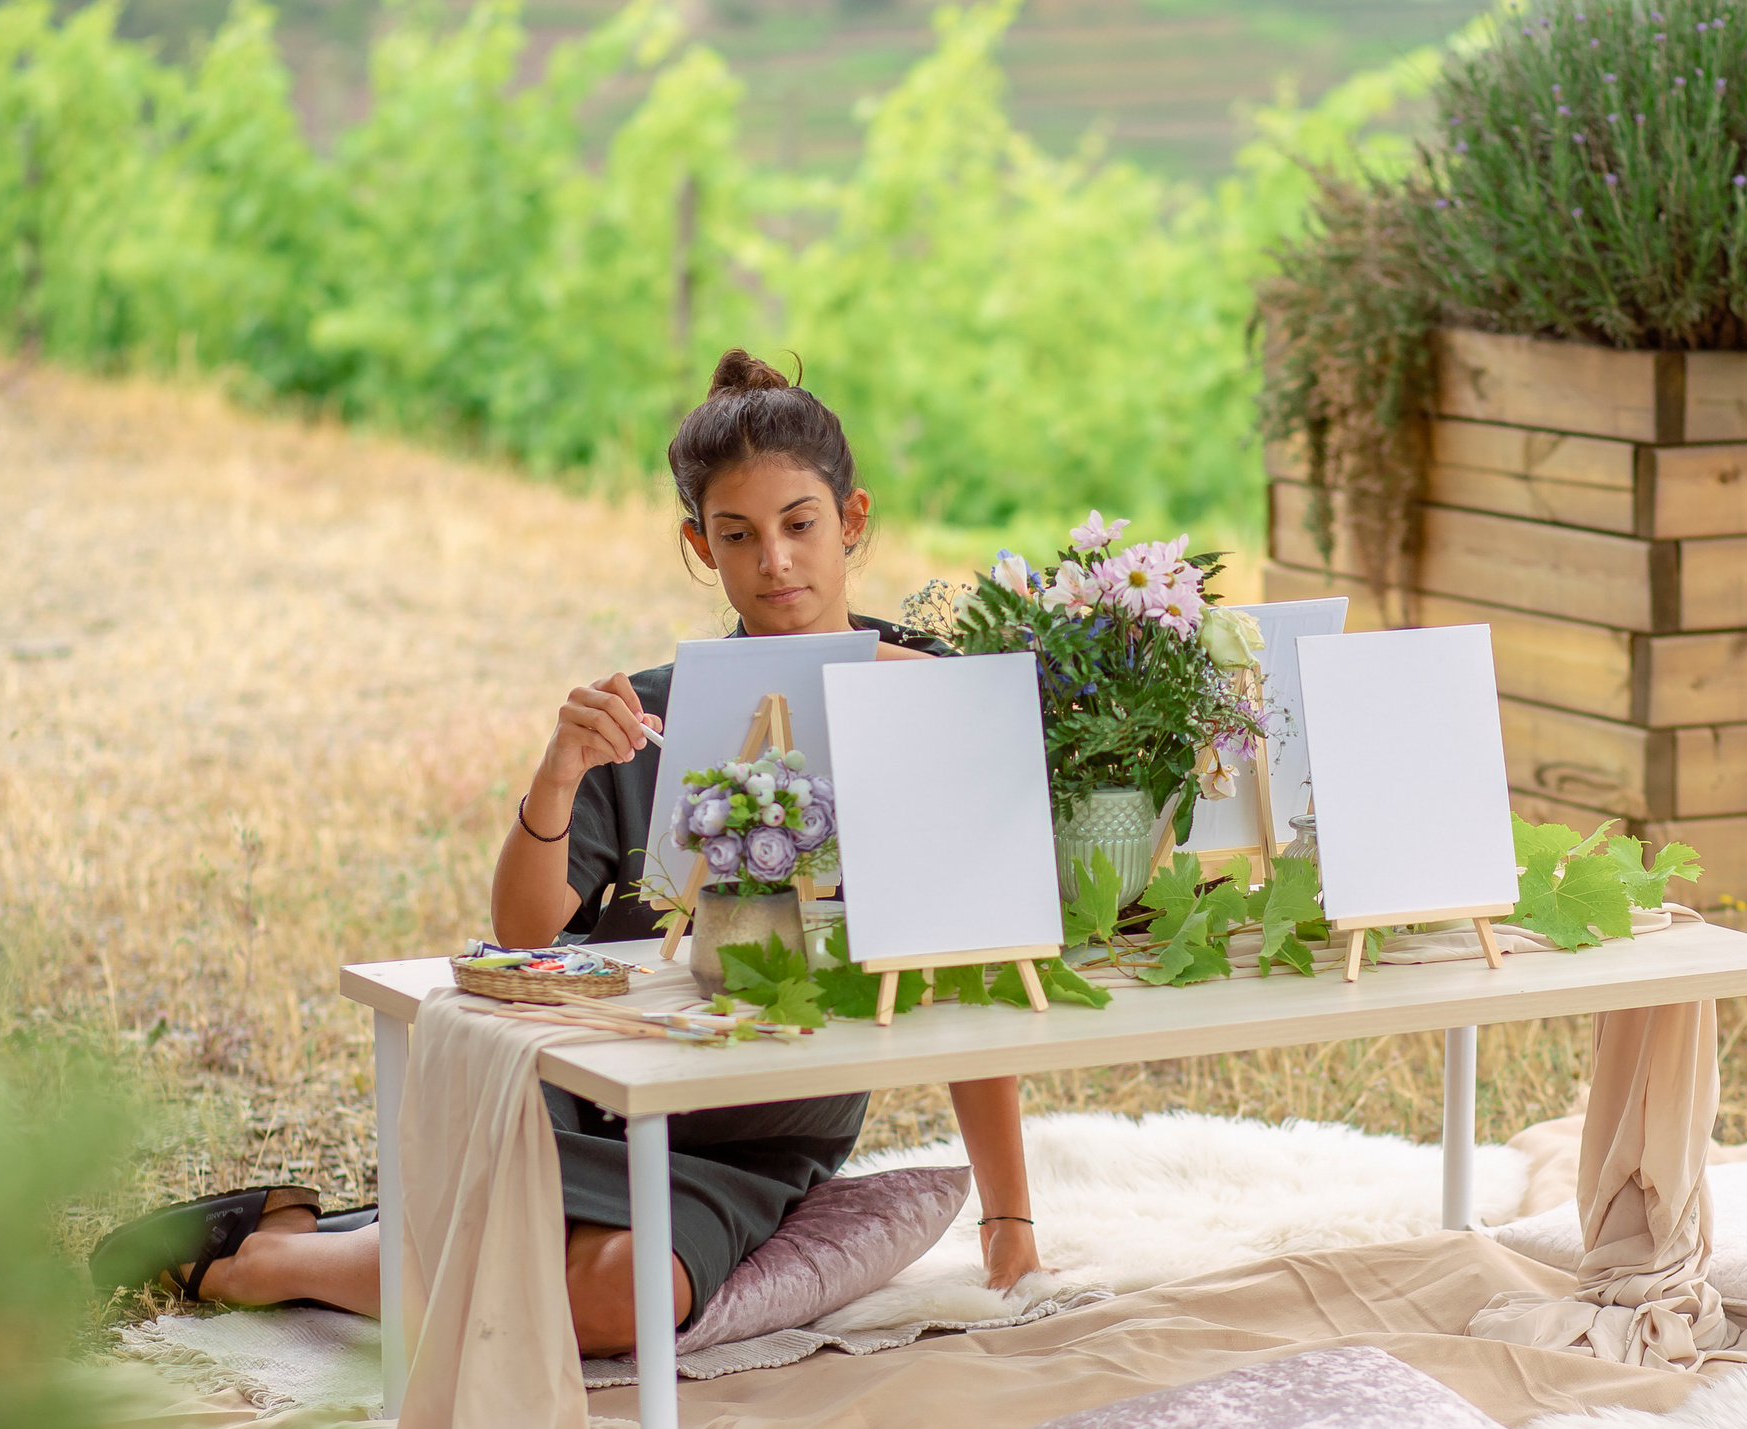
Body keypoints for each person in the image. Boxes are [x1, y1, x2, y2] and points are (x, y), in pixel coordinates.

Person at [91, 351, 1044, 1355]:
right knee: (540, 1244)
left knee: (616, 1300)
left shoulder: (929, 700)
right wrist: (557, 769)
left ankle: (278, 1257)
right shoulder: (647, 717)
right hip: (588, 1086)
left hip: (760, 1125)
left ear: (850, 520)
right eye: (738, 535)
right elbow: (524, 930)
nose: (776, 562)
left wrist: (1008, 1223)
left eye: (800, 525)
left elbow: (968, 966)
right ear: (699, 547)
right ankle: (281, 1258)